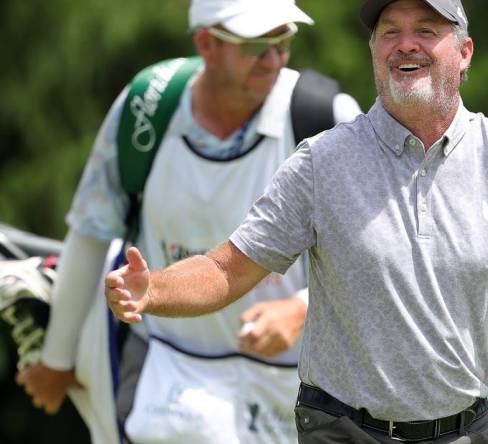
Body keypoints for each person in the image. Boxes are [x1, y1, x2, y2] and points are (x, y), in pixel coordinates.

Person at [105, 0, 488, 442]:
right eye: (389, 29)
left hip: (463, 432)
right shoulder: (321, 162)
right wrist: (151, 289)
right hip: (338, 431)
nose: (405, 41)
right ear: (375, 51)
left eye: (426, 27)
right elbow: (226, 270)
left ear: (463, 52)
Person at [16, 0, 362, 443]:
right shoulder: (147, 106)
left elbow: (378, 254)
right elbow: (91, 230)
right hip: (167, 369)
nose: (273, 59)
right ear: (207, 43)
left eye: (284, 41)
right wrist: (57, 360)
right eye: (256, 44)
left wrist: (302, 309)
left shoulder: (324, 114)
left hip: (296, 384)